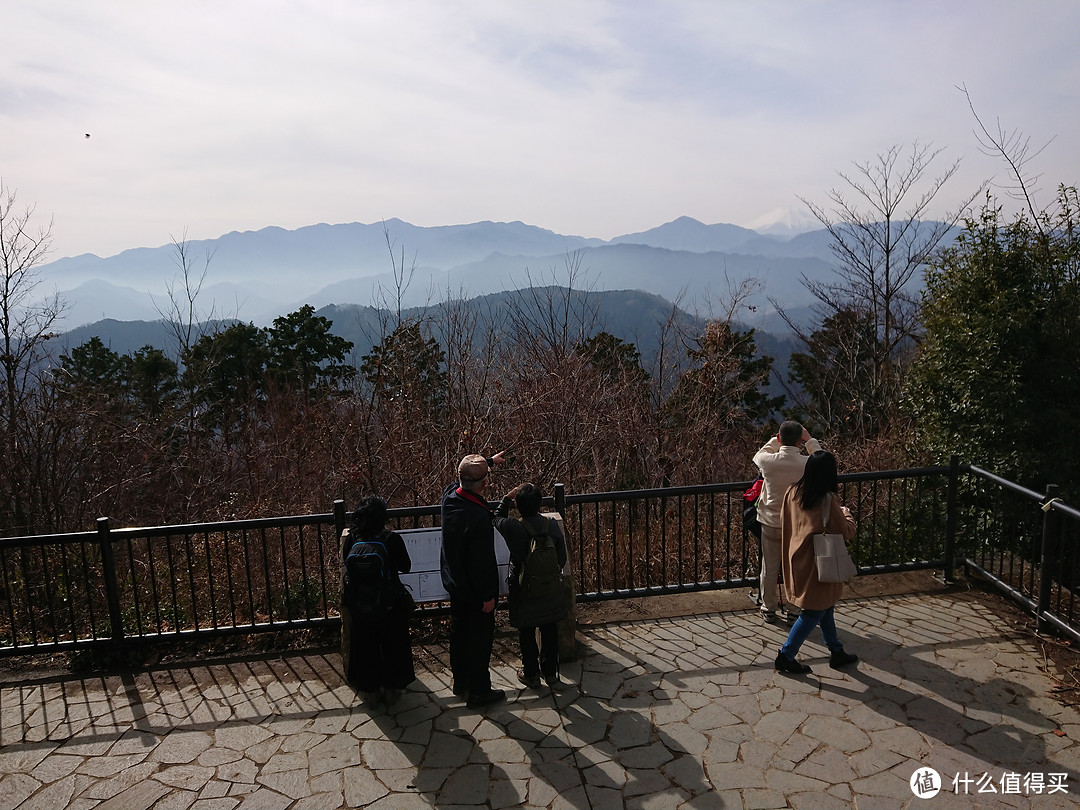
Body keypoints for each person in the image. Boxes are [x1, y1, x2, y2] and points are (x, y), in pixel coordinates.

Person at [774, 450, 859, 674]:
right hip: (819, 563)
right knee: (813, 612)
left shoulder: (792, 492)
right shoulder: (827, 500)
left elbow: (785, 520)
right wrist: (847, 514)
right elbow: (845, 532)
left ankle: (836, 651)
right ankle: (786, 655)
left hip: (797, 558)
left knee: (825, 606)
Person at [441, 450, 507, 708]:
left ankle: (461, 682)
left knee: (459, 636)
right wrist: (488, 595)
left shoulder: (449, 499)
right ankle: (480, 690)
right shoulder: (478, 517)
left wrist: (487, 462)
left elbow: (457, 481)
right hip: (475, 591)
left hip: (455, 585)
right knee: (480, 640)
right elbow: (480, 563)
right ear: (484, 485)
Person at [340, 496, 415, 706]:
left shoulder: (352, 539)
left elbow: (347, 564)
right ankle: (393, 687)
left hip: (360, 603)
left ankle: (370, 689)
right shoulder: (391, 538)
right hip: (389, 602)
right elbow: (405, 566)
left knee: (365, 645)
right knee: (393, 643)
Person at [494, 482, 569, 691]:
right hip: (550, 589)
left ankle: (531, 674)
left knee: (526, 632)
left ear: (518, 505)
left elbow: (496, 517)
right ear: (540, 503)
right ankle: (551, 673)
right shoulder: (551, 525)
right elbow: (561, 558)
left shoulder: (513, 527)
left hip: (524, 590)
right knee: (549, 629)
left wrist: (507, 498)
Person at [752, 421, 821, 623]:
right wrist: (809, 440)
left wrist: (777, 439)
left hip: (770, 522)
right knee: (795, 568)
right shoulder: (806, 464)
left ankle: (768, 607)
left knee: (770, 567)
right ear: (800, 441)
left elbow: (759, 454)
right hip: (796, 524)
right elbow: (822, 459)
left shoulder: (768, 462)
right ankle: (793, 610)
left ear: (780, 438)